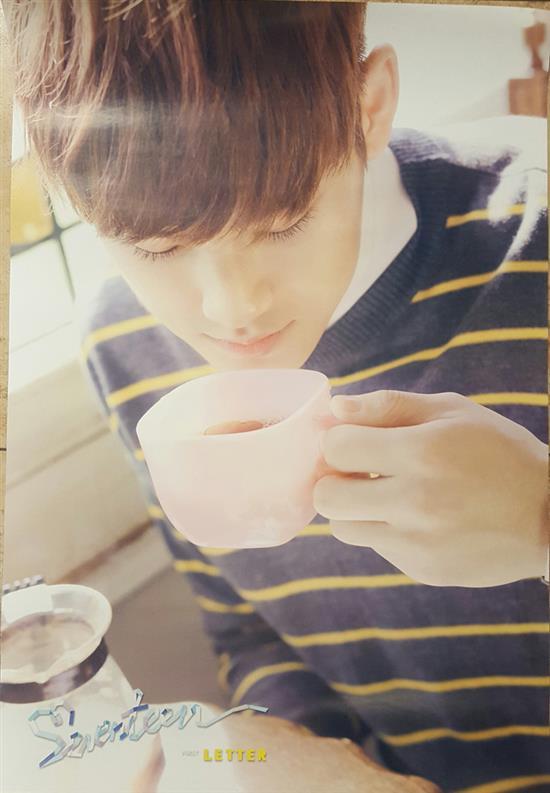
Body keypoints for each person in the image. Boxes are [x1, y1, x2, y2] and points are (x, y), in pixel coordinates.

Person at [6, 1, 549, 790]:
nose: (233, 310)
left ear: (369, 107)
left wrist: (540, 519)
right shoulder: (125, 348)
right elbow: (251, 632)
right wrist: (297, 757)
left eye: (283, 221)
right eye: (156, 247)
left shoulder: (535, 242)